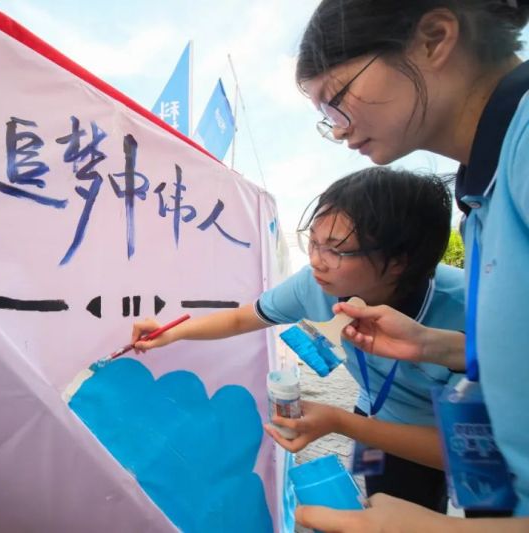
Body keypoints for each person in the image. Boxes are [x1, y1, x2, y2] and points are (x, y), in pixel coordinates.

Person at [291, 0, 529, 529]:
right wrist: (437, 347)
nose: (338, 130)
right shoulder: (480, 200)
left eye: (337, 102)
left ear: (434, 38)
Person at [132, 166, 464, 511]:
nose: (316, 261)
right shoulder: (314, 285)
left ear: (397, 261)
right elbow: (242, 317)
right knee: (379, 497)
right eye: (313, 242)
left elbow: (465, 449)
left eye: (336, 250)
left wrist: (338, 422)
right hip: (373, 408)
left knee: (423, 506)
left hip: (435, 431)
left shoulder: (469, 312)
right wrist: (172, 332)